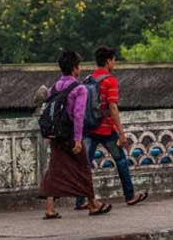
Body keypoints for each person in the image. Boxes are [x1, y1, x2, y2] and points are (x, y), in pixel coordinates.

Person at [38, 50, 112, 219]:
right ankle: (93, 205)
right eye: (79, 66)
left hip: (55, 135)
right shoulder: (79, 89)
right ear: (74, 68)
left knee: (55, 169)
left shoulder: (55, 87)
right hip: (71, 135)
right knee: (84, 168)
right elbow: (78, 116)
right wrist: (78, 140)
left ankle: (50, 208)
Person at [75, 46, 148, 209]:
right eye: (114, 60)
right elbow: (113, 107)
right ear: (108, 61)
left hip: (89, 128)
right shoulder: (110, 80)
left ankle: (80, 201)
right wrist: (121, 134)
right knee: (121, 161)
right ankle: (129, 196)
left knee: (85, 164)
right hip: (106, 130)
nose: (115, 63)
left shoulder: (88, 80)